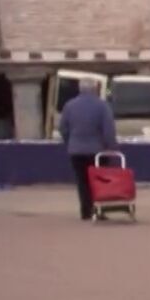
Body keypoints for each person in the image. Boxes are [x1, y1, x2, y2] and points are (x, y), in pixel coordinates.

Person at [57, 82, 116, 222]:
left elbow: (63, 128)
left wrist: (69, 142)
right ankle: (98, 210)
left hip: (76, 150)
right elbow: (108, 129)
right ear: (95, 89)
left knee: (82, 181)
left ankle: (85, 211)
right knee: (98, 181)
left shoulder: (69, 105)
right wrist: (111, 146)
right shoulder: (102, 106)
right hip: (97, 151)